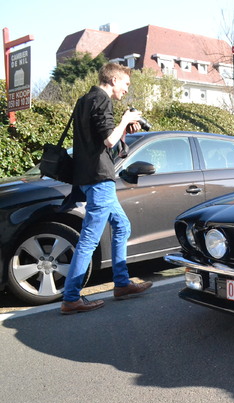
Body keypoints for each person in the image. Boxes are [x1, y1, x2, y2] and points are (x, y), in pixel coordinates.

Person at [60, 63, 153, 315]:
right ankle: (71, 298)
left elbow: (100, 141)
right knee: (90, 238)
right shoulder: (102, 101)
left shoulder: (84, 100)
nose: (126, 89)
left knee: (122, 226)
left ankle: (122, 284)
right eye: (125, 84)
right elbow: (108, 140)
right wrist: (125, 119)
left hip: (88, 177)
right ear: (113, 79)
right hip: (99, 179)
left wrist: (123, 128)